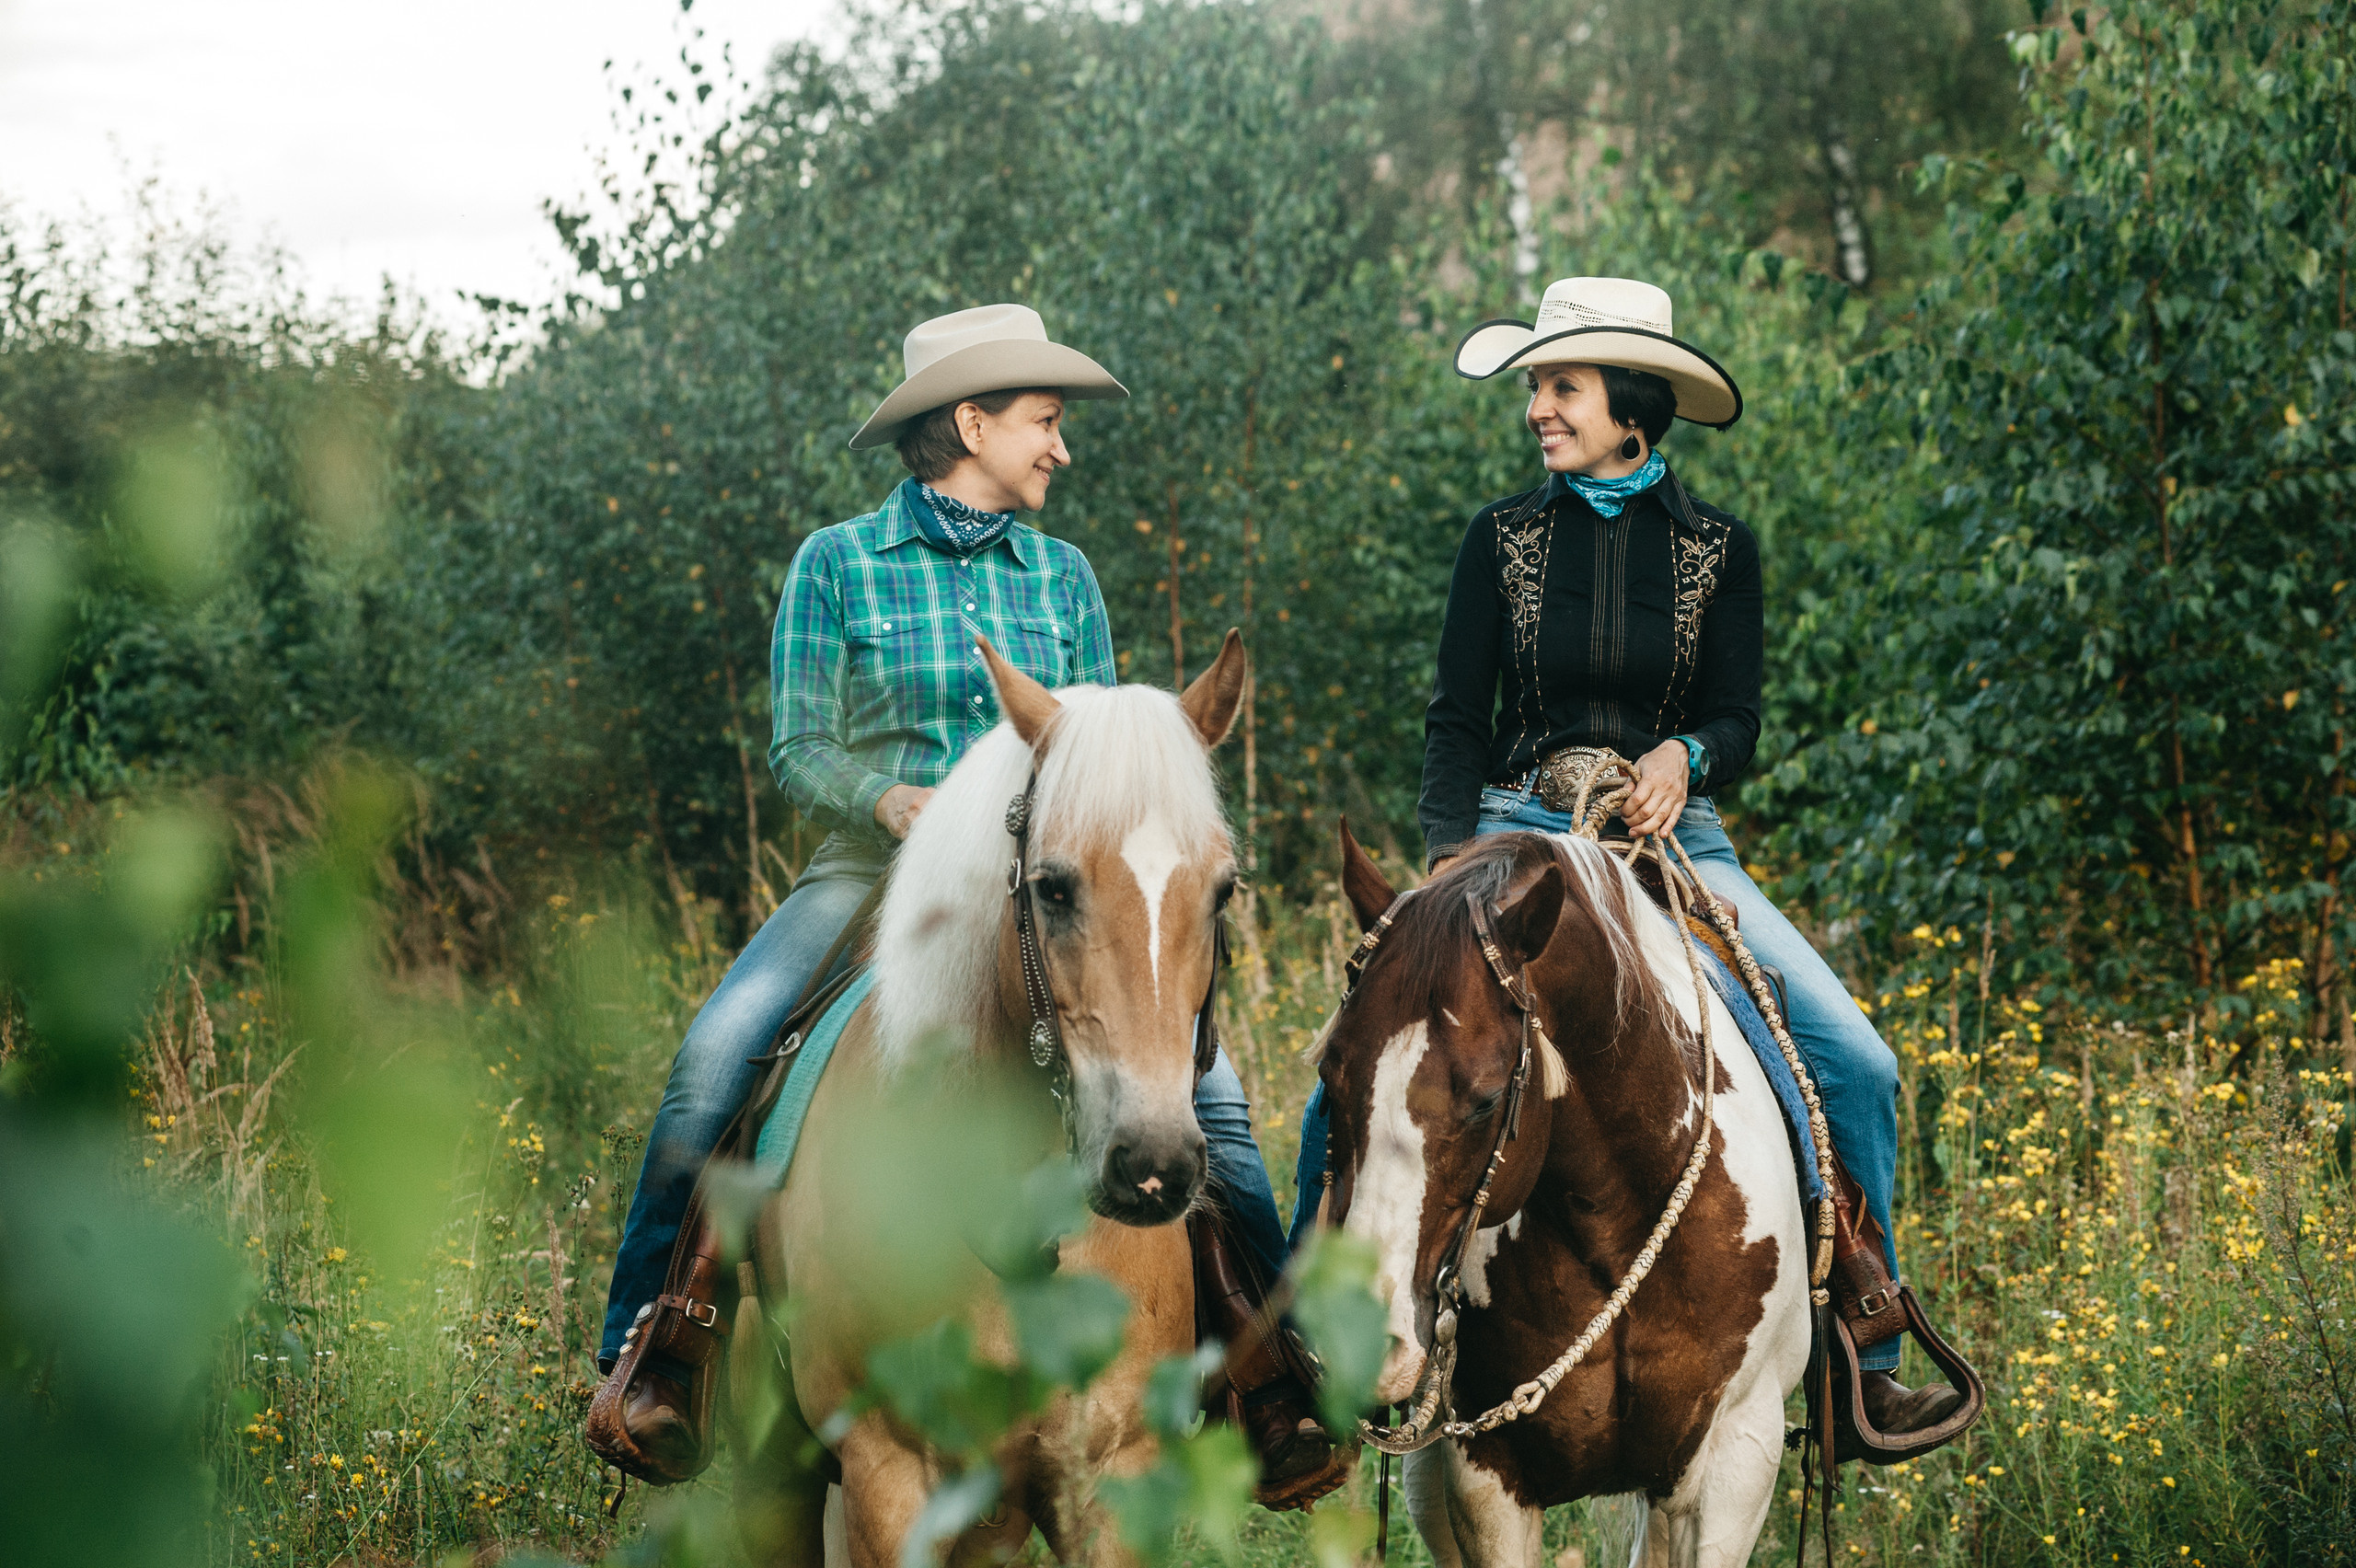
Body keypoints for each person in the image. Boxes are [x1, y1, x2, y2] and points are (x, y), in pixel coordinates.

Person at [594, 303, 1326, 1488]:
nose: (1060, 448)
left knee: (1218, 1104)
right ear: (970, 423)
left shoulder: (1064, 576)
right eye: (1043, 422)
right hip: (873, 878)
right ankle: (657, 1351)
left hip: (1048, 893)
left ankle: (1268, 1375)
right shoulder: (837, 563)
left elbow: (1105, 761)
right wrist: (888, 801)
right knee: (717, 1055)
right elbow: (797, 746)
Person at [1289, 276, 1964, 1439]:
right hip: (1513, 830)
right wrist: (1448, 862)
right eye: (1536, 388)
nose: (1537, 410)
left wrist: (1684, 756)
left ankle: (1861, 1354)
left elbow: (1739, 718)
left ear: (1632, 406)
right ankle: (1291, 1359)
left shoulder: (1719, 549)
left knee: (1856, 1063)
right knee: (1358, 1063)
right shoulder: (1499, 539)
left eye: (1562, 387)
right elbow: (1455, 716)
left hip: (1671, 842)